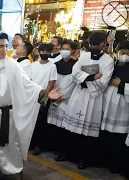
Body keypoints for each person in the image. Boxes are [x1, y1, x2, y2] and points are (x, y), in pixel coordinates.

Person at [0, 33, 63, 180]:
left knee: (10, 145)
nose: (5, 49)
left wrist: (46, 94)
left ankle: (12, 171)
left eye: (6, 45)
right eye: (0, 46)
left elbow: (28, 85)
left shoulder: (14, 66)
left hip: (8, 115)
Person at [61, 31, 114, 169]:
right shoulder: (84, 56)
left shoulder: (108, 61)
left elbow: (104, 81)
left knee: (87, 133)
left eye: (96, 45)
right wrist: (92, 77)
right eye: (91, 44)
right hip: (79, 95)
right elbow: (75, 72)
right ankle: (68, 153)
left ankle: (83, 158)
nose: (93, 47)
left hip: (93, 98)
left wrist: (84, 79)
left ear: (103, 46)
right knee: (71, 128)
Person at [99, 40, 129, 174]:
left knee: (118, 138)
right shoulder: (114, 64)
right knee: (107, 135)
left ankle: (116, 165)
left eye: (127, 53)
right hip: (109, 105)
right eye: (122, 52)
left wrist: (120, 84)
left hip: (123, 107)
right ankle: (104, 161)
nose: (124, 55)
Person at [46, 40, 77, 157]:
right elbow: (53, 81)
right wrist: (54, 97)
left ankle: (63, 151)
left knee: (64, 127)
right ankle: (53, 147)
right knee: (53, 125)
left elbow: (73, 84)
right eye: (63, 48)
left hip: (68, 99)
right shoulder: (55, 64)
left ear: (73, 50)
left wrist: (62, 97)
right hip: (55, 97)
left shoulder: (76, 66)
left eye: (67, 49)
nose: (64, 51)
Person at [28, 43, 58, 155]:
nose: (45, 53)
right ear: (39, 52)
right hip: (33, 94)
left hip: (44, 95)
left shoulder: (52, 66)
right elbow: (29, 80)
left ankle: (38, 145)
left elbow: (52, 82)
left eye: (47, 52)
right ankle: (30, 142)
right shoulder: (33, 65)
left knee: (41, 121)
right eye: (43, 51)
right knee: (32, 120)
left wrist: (46, 93)